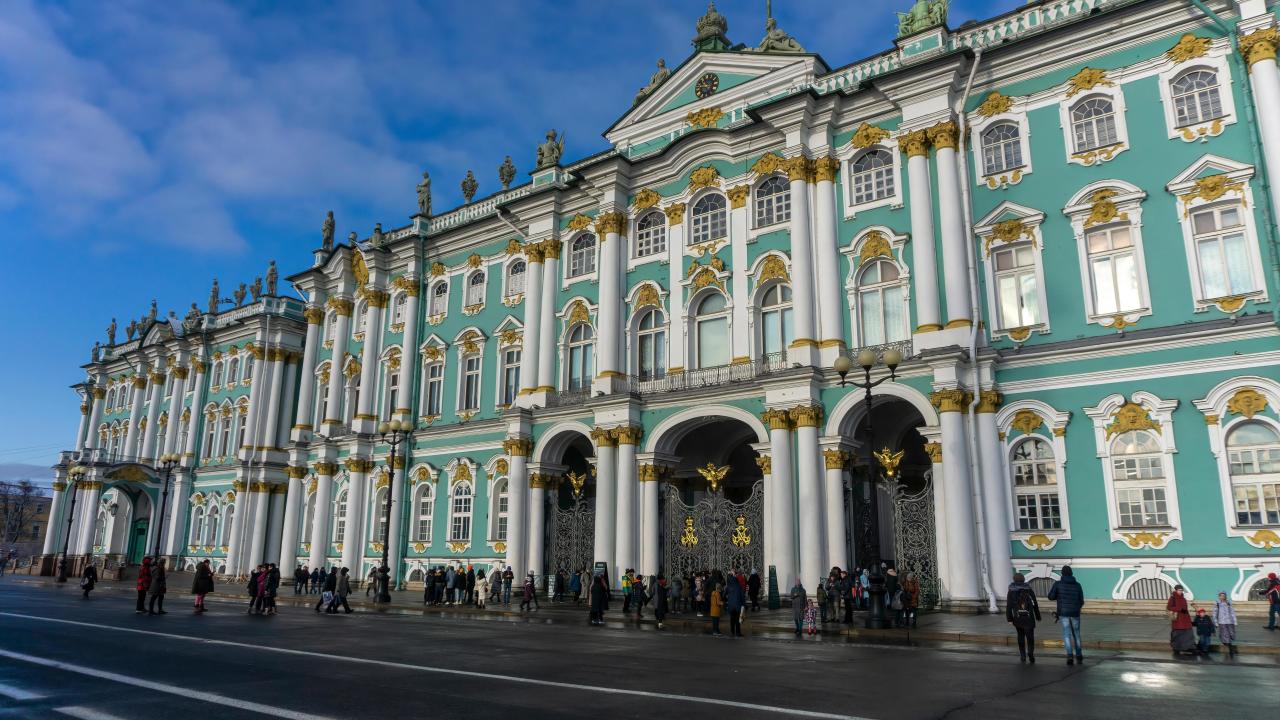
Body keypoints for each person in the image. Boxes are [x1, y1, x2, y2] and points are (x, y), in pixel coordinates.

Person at [1047, 565, 1085, 665]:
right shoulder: (1078, 585)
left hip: (1063, 613)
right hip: (1075, 613)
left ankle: (1070, 656)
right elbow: (1081, 600)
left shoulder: (1058, 584)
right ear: (1071, 573)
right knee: (1077, 634)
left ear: (1062, 573)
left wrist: (1058, 596)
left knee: (1066, 634)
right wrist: (1077, 608)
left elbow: (1050, 596)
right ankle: (1079, 655)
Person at [1006, 573, 1042, 663]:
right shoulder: (1029, 590)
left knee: (1020, 636)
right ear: (1023, 579)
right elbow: (1035, 604)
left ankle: (1022, 655)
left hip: (1018, 618)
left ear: (1014, 580)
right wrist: (1038, 616)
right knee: (1030, 637)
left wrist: (1009, 619)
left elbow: (1009, 606)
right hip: (1029, 618)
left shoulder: (1011, 591)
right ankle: (1030, 653)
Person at [1167, 584, 1196, 656]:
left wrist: (1188, 618)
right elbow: (1169, 607)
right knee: (1178, 635)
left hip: (1185, 619)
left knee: (1188, 634)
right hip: (1178, 620)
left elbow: (1185, 609)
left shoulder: (1183, 598)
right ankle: (1176, 649)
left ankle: (1189, 648)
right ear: (1176, 590)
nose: (1181, 591)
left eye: (1181, 590)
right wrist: (1180, 609)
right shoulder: (1172, 598)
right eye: (1179, 590)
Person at [1213, 591, 1238, 655]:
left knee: (1232, 634)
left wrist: (1235, 621)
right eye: (1221, 596)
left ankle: (1226, 642)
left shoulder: (1229, 603)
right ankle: (1230, 648)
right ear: (1219, 597)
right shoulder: (1217, 604)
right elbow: (1215, 613)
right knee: (1226, 635)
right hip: (1222, 622)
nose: (1222, 597)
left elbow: (1232, 612)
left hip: (1230, 621)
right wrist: (1215, 622)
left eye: (1223, 596)